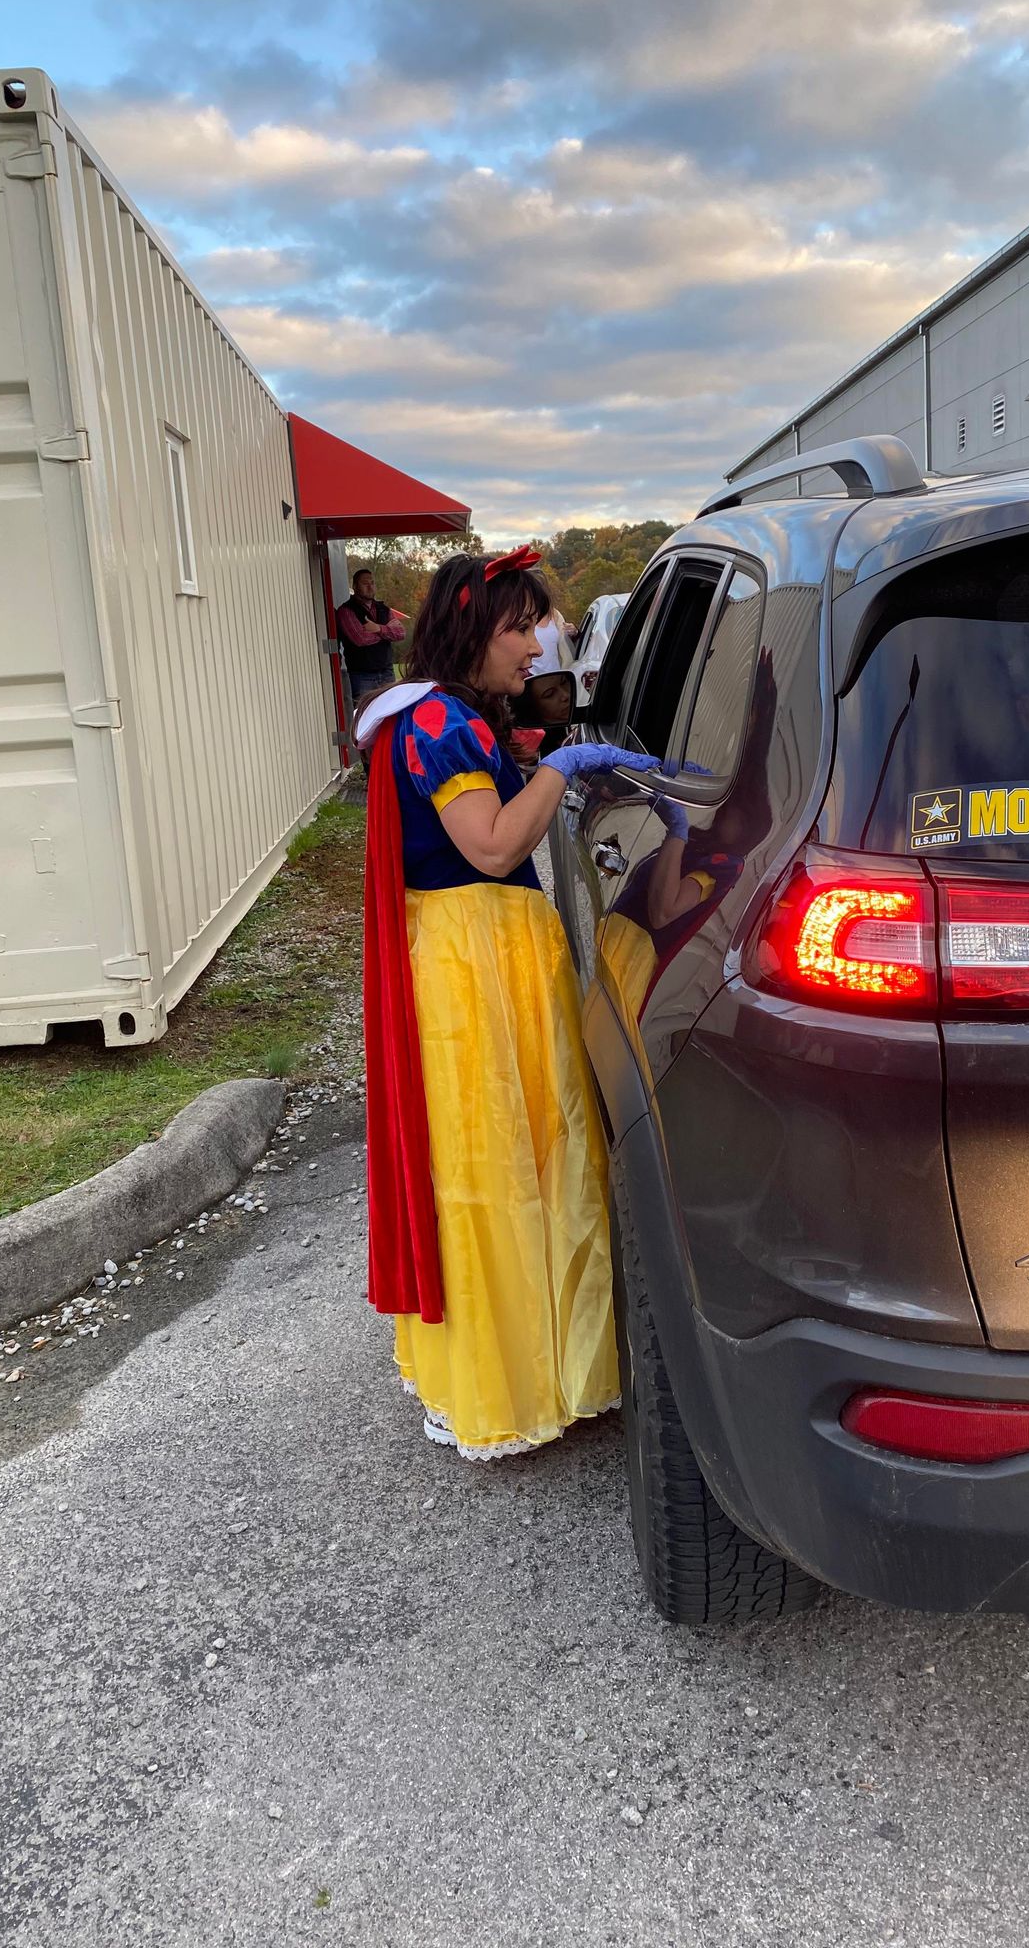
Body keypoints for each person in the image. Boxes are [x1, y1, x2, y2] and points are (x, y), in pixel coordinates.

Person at [356, 546, 659, 1459]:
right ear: (471, 631)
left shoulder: (448, 716)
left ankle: (540, 1368)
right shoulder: (437, 725)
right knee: (500, 1167)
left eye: (537, 625)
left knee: (526, 1157)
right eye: (520, 627)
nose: (538, 645)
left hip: (483, 958)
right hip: (471, 969)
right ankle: (518, 1384)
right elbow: (488, 847)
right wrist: (567, 770)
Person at [337, 567, 407, 701]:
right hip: (362, 676)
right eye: (365, 583)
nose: (370, 587)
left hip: (387, 672)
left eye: (372, 583)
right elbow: (360, 638)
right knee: (367, 716)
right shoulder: (346, 611)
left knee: (391, 714)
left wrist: (378, 628)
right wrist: (387, 632)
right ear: (355, 586)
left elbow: (401, 633)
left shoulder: (384, 609)